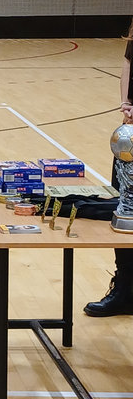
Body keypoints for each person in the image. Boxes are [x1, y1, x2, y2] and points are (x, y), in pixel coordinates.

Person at [84, 18, 133, 316]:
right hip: (131, 135)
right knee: (124, 210)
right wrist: (126, 104)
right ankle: (125, 290)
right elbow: (129, 63)